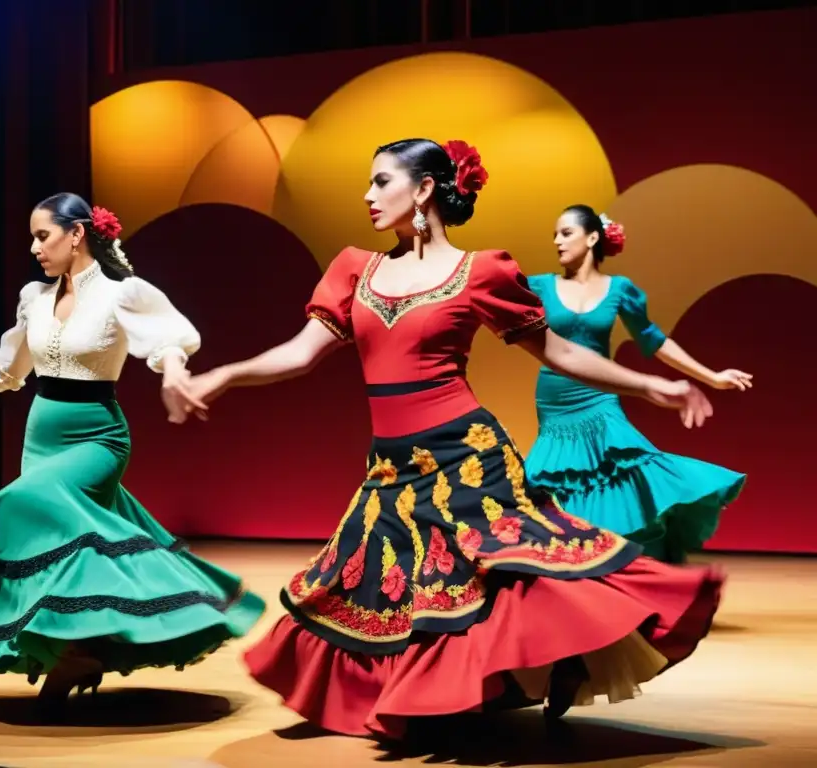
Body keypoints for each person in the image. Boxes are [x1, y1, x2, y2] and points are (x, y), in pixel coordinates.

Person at [184, 139, 723, 740]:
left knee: (506, 574)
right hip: (390, 467)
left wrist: (651, 386)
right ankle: (427, 696)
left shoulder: (481, 272)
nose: (367, 195)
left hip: (466, 458)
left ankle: (553, 662)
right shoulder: (354, 269)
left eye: (380, 181)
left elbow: (562, 351)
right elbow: (300, 353)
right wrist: (226, 374)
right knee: (383, 589)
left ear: (422, 191)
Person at [0, 193, 265, 721]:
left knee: (15, 504)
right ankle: (76, 653)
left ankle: (76, 654)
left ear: (76, 234)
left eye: (42, 236)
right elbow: (6, 369)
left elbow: (171, 338)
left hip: (97, 438)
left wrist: (175, 372)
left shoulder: (121, 293)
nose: (33, 247)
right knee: (61, 553)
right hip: (41, 436)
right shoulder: (33, 298)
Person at [522, 206, 749, 562]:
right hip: (555, 403)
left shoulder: (619, 290)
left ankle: (615, 559)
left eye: (565, 233)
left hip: (600, 398)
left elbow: (654, 340)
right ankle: (572, 565)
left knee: (626, 469)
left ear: (592, 237)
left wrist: (711, 377)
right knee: (556, 481)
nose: (556, 241)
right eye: (555, 234)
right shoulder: (538, 286)